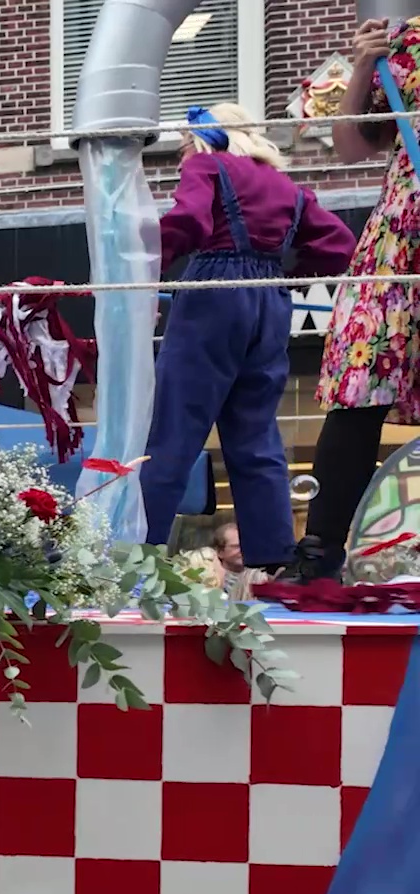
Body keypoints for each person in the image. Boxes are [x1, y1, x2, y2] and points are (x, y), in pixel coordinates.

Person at [140, 101, 355, 570]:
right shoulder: (288, 188)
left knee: (175, 430)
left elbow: (191, 221)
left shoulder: (208, 165)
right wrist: (290, 273)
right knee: (256, 436)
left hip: (214, 295)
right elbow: (341, 246)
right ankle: (273, 556)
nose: (181, 155)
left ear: (207, 139)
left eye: (183, 144)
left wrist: (140, 267)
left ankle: (137, 547)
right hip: (270, 301)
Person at [292, 17, 420, 581]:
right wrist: (366, 62)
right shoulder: (405, 40)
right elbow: (347, 146)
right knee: (360, 382)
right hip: (400, 240)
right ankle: (319, 551)